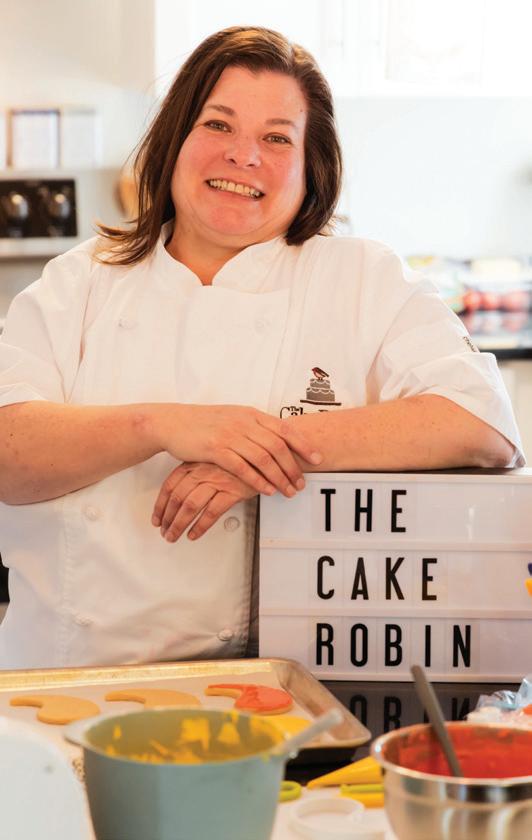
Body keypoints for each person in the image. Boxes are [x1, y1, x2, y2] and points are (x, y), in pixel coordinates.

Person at [0, 27, 523, 670]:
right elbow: (8, 454)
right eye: (217, 124)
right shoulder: (78, 283)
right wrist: (161, 424)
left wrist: (258, 454)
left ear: (311, 168)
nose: (242, 155)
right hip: (67, 684)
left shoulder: (363, 279)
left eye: (277, 138)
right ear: (175, 140)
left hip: (276, 689)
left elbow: (482, 421)